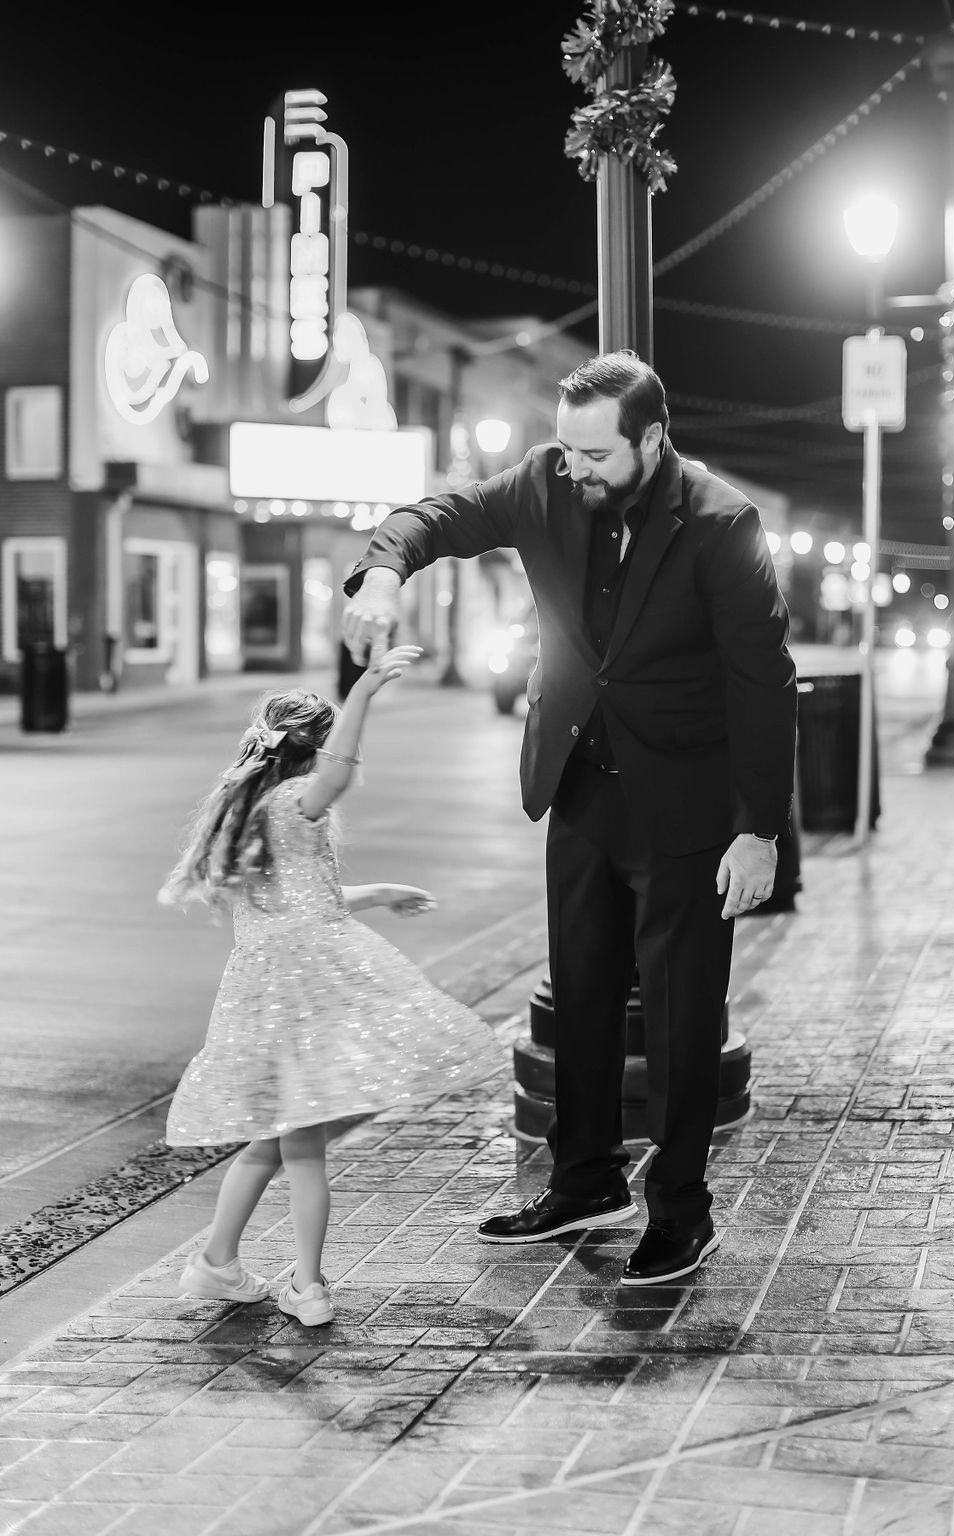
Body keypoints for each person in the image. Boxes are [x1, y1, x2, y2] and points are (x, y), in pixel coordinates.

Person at [341, 349, 797, 1287]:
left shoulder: (722, 522)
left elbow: (764, 683)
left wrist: (760, 830)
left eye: (596, 455)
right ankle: (585, 1180)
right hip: (583, 787)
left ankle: (680, 1211)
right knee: (582, 996)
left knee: (678, 1021)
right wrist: (382, 573)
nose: (576, 469)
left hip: (687, 810)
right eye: (567, 449)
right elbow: (438, 515)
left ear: (652, 438)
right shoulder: (548, 482)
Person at [158, 647, 505, 1326]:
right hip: (301, 989)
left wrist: (377, 892)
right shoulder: (295, 800)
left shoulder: (248, 807)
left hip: (265, 992)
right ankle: (308, 1286)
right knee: (302, 1141)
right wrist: (367, 693)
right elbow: (340, 777)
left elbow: (301, 899)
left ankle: (217, 1264)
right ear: (312, 749)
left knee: (274, 1138)